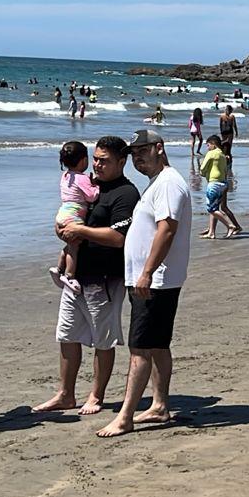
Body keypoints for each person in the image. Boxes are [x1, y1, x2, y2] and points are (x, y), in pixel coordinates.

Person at [35, 135, 140, 416]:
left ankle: (96, 395)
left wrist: (80, 232)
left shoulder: (126, 194)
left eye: (104, 161)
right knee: (67, 334)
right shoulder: (88, 184)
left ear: (121, 161)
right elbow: (72, 214)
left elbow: (119, 237)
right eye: (95, 159)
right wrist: (63, 229)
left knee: (103, 339)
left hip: (105, 278)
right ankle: (65, 394)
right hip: (76, 276)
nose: (97, 165)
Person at [99, 130, 191, 437]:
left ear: (159, 148)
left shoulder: (167, 183)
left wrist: (148, 272)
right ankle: (159, 405)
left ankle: (125, 416)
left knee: (140, 349)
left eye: (142, 150)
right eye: (133, 152)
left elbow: (167, 229)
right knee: (157, 345)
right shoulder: (159, 183)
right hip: (154, 280)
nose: (137, 157)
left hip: (155, 282)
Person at [50, 141, 100, 291]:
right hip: (74, 215)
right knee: (74, 246)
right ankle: (69, 275)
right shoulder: (82, 178)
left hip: (63, 212)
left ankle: (58, 268)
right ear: (84, 160)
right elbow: (91, 196)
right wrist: (96, 185)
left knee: (71, 243)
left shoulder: (65, 176)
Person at [198, 135, 240, 238]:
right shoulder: (222, 155)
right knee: (215, 208)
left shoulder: (211, 153)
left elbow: (203, 168)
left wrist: (202, 173)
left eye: (208, 145)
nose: (207, 148)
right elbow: (225, 170)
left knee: (211, 209)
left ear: (213, 144)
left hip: (214, 183)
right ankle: (212, 232)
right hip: (223, 183)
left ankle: (230, 225)